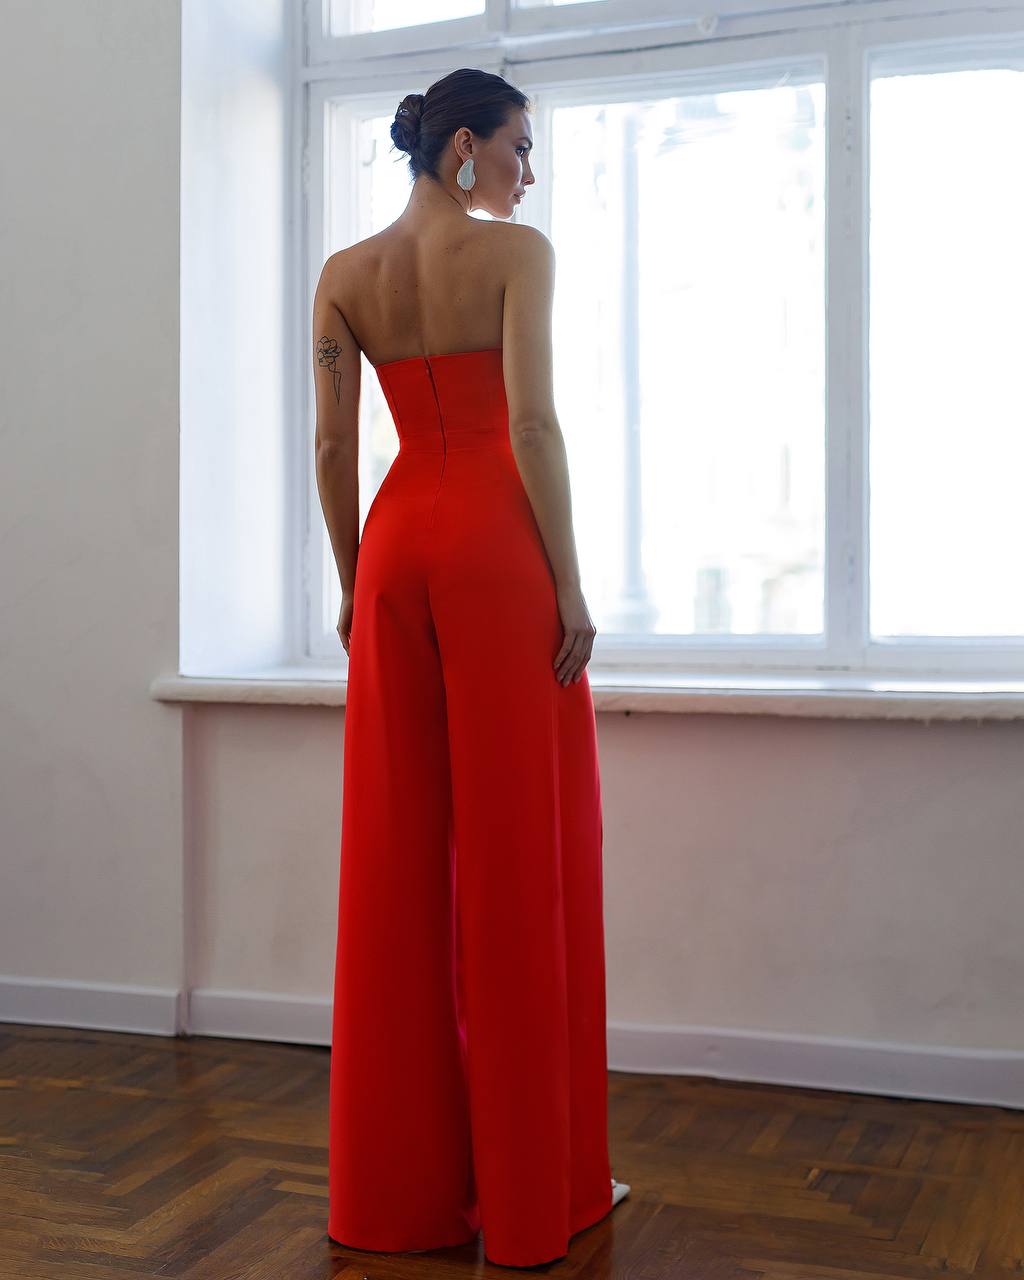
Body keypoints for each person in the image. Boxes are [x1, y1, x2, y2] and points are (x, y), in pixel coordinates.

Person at [312, 65, 629, 1270]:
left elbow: (336, 440)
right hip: (498, 549)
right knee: (516, 853)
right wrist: (575, 584)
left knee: (397, 855)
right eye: (517, 146)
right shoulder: (516, 255)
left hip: (396, 547)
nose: (527, 172)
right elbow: (534, 425)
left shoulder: (345, 277)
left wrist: (352, 578)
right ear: (461, 150)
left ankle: (396, 1199)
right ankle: (535, 1191)